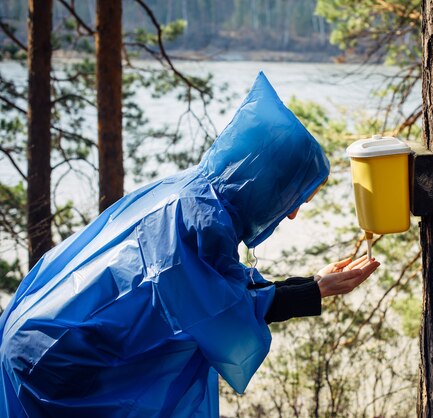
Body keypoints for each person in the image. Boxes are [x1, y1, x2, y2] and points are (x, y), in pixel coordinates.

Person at [0, 72, 379, 417]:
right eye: (293, 198)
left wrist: (312, 285)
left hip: (37, 327)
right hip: (57, 364)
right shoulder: (207, 223)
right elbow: (221, 316)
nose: (292, 213)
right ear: (268, 182)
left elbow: (210, 291)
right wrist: (313, 291)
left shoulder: (191, 192)